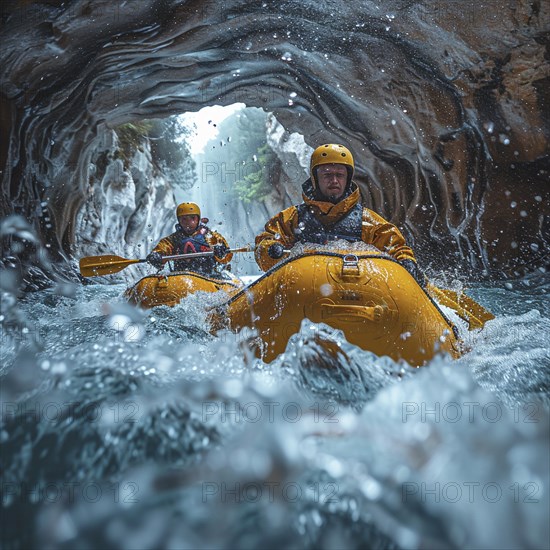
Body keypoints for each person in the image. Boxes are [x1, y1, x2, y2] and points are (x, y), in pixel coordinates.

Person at [254, 143, 424, 285]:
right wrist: (270, 249)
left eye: (339, 175)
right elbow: (265, 245)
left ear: (347, 179)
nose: (334, 181)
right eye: (327, 175)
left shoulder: (367, 221)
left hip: (357, 289)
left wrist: (406, 261)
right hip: (307, 288)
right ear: (315, 178)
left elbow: (396, 247)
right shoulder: (292, 218)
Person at [146, 202, 232, 274]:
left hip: (209, 277)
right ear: (179, 221)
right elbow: (161, 250)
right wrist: (156, 256)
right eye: (184, 219)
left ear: (198, 219)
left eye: (192, 218)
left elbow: (227, 256)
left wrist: (222, 252)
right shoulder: (172, 240)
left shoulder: (211, 237)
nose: (189, 222)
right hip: (181, 278)